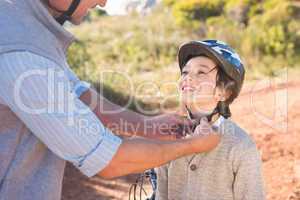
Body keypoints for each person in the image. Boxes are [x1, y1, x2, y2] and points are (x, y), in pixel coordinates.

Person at [0, 1, 221, 200]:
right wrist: (190, 146)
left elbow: (77, 91)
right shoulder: (20, 53)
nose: (103, 2)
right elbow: (110, 160)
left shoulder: (25, 26)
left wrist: (147, 125)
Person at [155, 40, 266, 200]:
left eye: (201, 72)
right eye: (185, 72)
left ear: (223, 92)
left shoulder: (241, 146)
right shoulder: (170, 137)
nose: (188, 78)